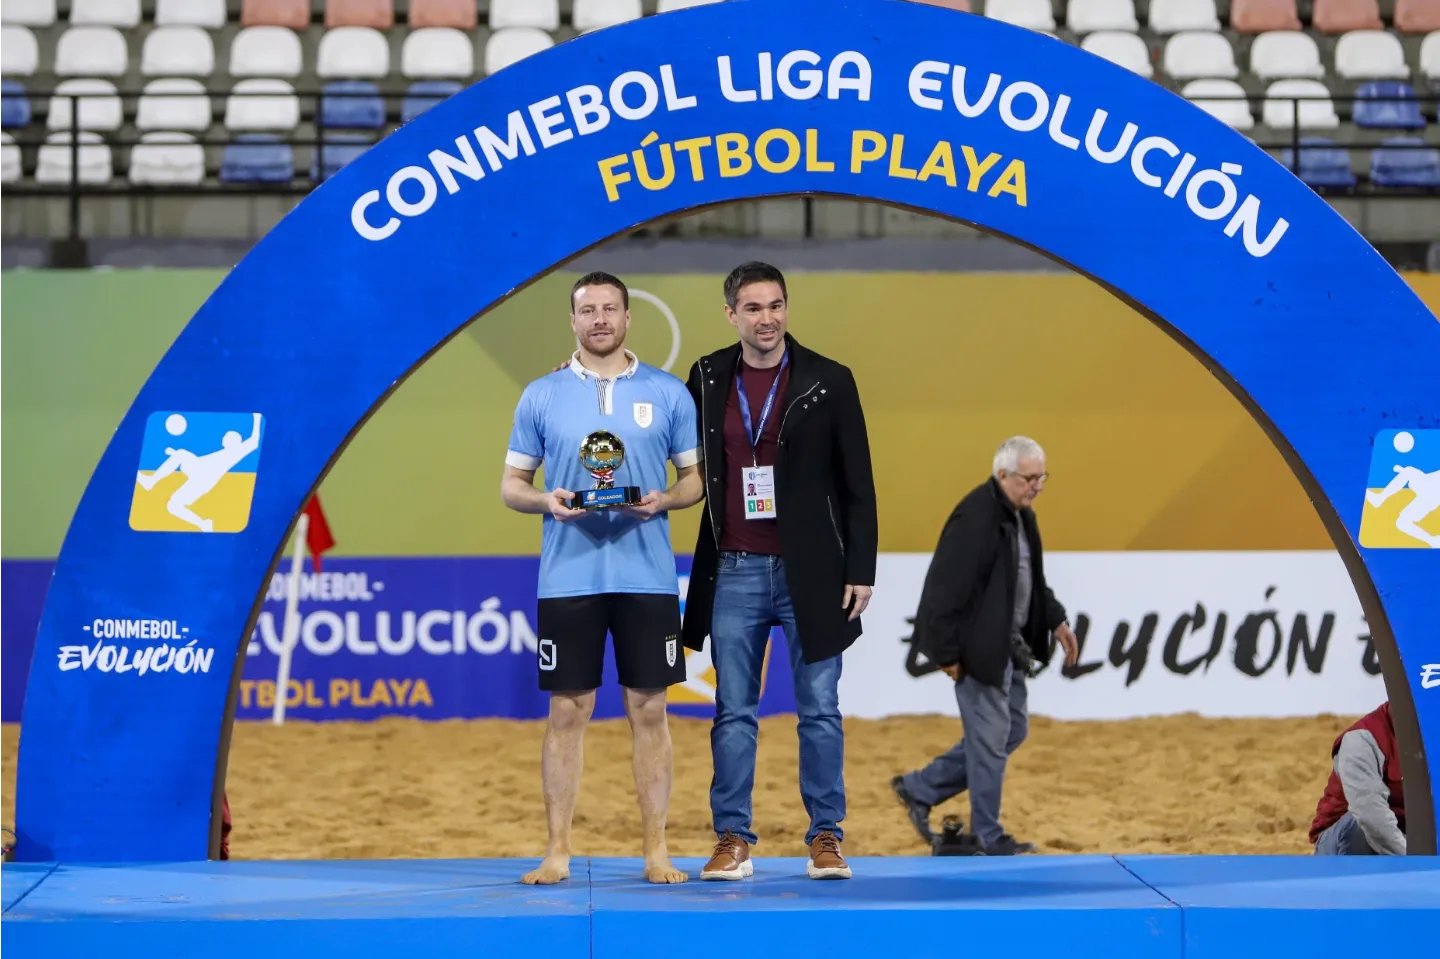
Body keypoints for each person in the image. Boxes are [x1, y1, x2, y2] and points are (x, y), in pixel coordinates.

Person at [501, 271, 703, 886]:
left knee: (650, 710)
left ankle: (657, 852)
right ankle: (557, 851)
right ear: (572, 320)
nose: (600, 319)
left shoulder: (668, 392)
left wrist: (665, 499)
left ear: (627, 316)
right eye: (588, 310)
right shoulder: (541, 395)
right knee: (568, 711)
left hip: (648, 577)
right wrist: (547, 501)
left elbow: (695, 482)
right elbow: (512, 487)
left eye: (610, 308)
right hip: (568, 577)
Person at [682, 261, 878, 881]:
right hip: (733, 570)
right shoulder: (706, 376)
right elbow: (665, 435)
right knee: (733, 711)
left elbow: (859, 483)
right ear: (730, 314)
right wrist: (581, 380)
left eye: (775, 306)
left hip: (813, 574)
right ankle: (732, 838)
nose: (766, 319)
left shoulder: (829, 379)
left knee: (820, 710)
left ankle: (826, 837)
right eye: (753, 308)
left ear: (786, 308)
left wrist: (861, 568)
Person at [891, 436, 1078, 856]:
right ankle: (987, 836)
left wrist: (1056, 619)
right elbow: (943, 588)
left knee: (1011, 730)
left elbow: (1032, 580)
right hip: (979, 650)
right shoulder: (975, 518)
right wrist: (947, 655)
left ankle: (921, 787)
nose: (1037, 486)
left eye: (1042, 477)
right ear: (1002, 475)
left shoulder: (1021, 516)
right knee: (991, 740)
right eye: (1029, 478)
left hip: (1008, 646)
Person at [1309, 701, 1406, 855]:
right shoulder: (1363, 739)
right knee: (1363, 822)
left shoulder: (1431, 736)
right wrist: (1412, 860)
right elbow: (1370, 814)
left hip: (1401, 837)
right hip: (1340, 843)